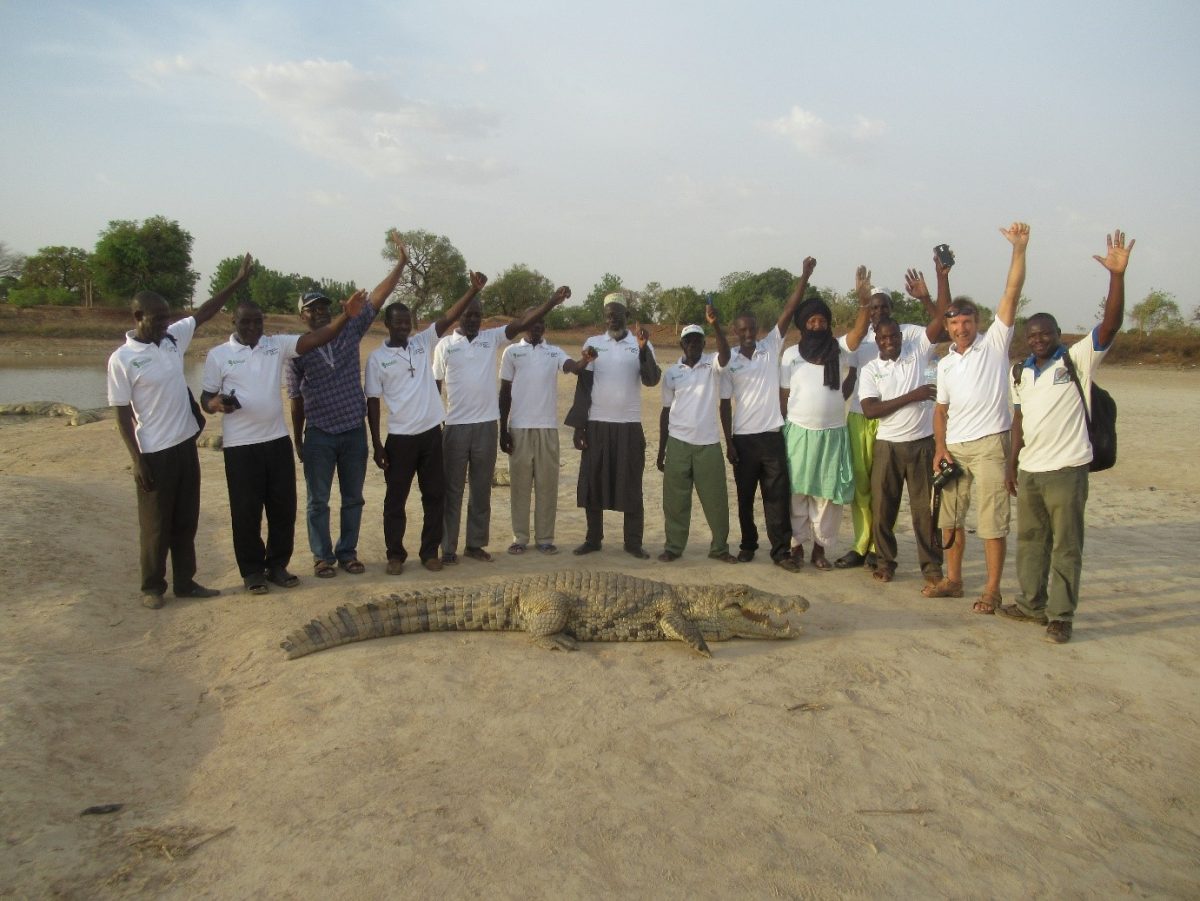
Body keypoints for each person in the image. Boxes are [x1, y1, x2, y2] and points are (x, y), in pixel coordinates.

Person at [999, 229, 1134, 644]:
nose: (1038, 339)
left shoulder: (1076, 360)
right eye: (1032, 335)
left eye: (1045, 333)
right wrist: (1012, 463)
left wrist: (1116, 276)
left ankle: (1061, 616)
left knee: (1066, 546)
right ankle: (1031, 604)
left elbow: (1109, 324)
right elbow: (1019, 419)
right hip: (1032, 470)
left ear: (1058, 334)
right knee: (1031, 541)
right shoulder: (1019, 370)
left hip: (1068, 469)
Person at [107, 253, 253, 608]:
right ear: (137, 317)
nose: (165, 324)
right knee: (156, 525)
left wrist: (236, 282)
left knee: (186, 520)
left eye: (167, 318)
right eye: (157, 320)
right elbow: (122, 414)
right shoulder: (121, 360)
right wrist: (136, 459)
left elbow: (204, 313)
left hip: (186, 445)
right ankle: (152, 588)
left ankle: (186, 582)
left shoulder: (171, 340)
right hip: (153, 452)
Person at [202, 291, 366, 594]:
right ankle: (252, 572)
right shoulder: (218, 355)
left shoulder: (275, 345)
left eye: (258, 322)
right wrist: (215, 404)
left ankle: (277, 565)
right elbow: (205, 398)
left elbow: (319, 338)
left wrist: (346, 315)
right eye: (245, 322)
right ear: (233, 321)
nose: (252, 327)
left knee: (283, 509)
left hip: (276, 440)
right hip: (240, 445)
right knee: (246, 511)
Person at [287, 232, 409, 579]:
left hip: (353, 430)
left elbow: (379, 297)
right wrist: (298, 439)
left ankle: (347, 552)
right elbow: (295, 399)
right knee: (317, 501)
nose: (320, 313)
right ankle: (322, 557)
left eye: (325, 307)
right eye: (313, 309)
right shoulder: (296, 350)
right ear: (302, 316)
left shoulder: (349, 330)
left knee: (353, 498)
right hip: (320, 434)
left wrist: (400, 263)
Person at [927, 222, 1030, 613]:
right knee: (949, 519)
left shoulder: (994, 344)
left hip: (990, 445)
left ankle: (992, 589)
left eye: (967, 321)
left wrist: (1018, 250)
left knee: (991, 521)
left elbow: (1011, 293)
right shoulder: (947, 363)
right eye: (953, 323)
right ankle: (953, 581)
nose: (960, 328)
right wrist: (939, 447)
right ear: (948, 327)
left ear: (977, 322)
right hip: (954, 448)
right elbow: (941, 411)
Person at [432, 286, 569, 565]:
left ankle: (474, 545)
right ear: (458, 316)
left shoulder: (490, 339)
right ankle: (448, 548)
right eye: (468, 315)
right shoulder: (444, 345)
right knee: (453, 490)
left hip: (486, 426)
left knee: (481, 490)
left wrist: (551, 302)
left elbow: (522, 323)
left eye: (478, 316)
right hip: (455, 426)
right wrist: (436, 426)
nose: (473, 320)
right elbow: (435, 387)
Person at [365, 274, 487, 576]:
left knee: (435, 495)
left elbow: (448, 316)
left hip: (432, 435)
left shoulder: (422, 342)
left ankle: (429, 552)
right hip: (400, 439)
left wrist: (472, 288)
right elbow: (372, 402)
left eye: (408, 322)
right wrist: (377, 444)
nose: (405, 327)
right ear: (387, 324)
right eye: (399, 322)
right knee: (395, 500)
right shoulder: (377, 359)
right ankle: (395, 555)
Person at [835, 258, 949, 571]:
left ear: (892, 310)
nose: (878, 313)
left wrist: (927, 296)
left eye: (883, 307)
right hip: (863, 416)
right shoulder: (863, 339)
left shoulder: (909, 335)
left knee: (902, 498)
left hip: (905, 430)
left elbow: (943, 324)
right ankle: (863, 546)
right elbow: (851, 377)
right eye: (872, 308)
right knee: (865, 490)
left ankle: (880, 552)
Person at [718, 256, 816, 572]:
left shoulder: (771, 346)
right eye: (742, 330)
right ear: (735, 332)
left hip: (772, 436)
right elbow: (723, 404)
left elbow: (789, 309)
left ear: (757, 329)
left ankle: (780, 552)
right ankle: (748, 545)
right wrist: (729, 442)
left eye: (751, 329)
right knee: (745, 498)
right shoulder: (729, 360)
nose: (747, 333)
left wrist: (804, 275)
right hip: (743, 440)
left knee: (776, 498)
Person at [779, 271, 870, 569]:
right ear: (803, 324)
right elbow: (784, 394)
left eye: (822, 321)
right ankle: (796, 547)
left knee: (827, 496)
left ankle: (820, 549)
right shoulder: (791, 354)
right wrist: (783, 428)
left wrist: (863, 302)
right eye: (811, 321)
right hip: (798, 433)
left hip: (832, 433)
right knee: (797, 492)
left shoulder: (839, 349)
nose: (817, 325)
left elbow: (858, 332)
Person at [571, 296, 661, 559]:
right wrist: (579, 427)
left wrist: (644, 349)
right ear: (604, 317)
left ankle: (633, 542)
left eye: (617, 314)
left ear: (627, 314)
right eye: (608, 315)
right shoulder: (593, 344)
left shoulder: (640, 345)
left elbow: (652, 380)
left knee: (631, 483)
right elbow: (583, 387)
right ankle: (593, 539)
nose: (612, 319)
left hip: (629, 425)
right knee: (593, 482)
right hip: (597, 424)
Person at [857, 317, 943, 584]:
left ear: (901, 337)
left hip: (922, 442)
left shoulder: (917, 354)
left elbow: (940, 319)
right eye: (883, 338)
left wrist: (938, 283)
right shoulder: (871, 369)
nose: (889, 342)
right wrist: (912, 396)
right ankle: (884, 562)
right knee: (883, 508)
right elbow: (870, 410)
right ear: (876, 339)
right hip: (888, 444)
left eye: (894, 336)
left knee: (925, 511)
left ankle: (931, 567)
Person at [656, 306, 737, 564]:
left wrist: (715, 325)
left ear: (704, 343)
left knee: (716, 501)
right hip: (678, 444)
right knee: (675, 501)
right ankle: (674, 546)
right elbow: (665, 412)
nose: (693, 344)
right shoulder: (671, 373)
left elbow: (725, 355)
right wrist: (661, 450)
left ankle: (720, 548)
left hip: (708, 445)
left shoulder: (712, 365)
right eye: (688, 340)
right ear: (681, 344)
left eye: (698, 340)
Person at [499, 294, 575, 556]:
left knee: (547, 485)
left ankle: (545, 538)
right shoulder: (512, 352)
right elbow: (504, 393)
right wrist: (503, 430)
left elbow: (571, 366)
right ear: (524, 325)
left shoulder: (554, 351)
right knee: (520, 486)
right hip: (519, 427)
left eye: (541, 323)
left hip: (547, 429)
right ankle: (519, 537)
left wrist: (584, 362)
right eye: (533, 323)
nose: (537, 327)